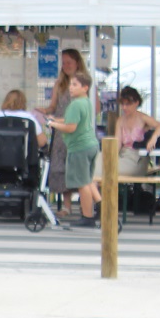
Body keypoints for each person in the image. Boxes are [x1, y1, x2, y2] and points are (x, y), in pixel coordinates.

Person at [46, 71, 99, 227]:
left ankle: (87, 216)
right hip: (91, 144)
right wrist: (56, 119)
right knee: (88, 180)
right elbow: (73, 120)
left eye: (75, 85)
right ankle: (102, 206)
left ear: (85, 87)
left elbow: (70, 127)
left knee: (82, 183)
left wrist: (53, 124)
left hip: (79, 147)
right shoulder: (86, 102)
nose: (71, 88)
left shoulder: (75, 104)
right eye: (70, 84)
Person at [43, 48, 88, 211]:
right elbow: (53, 106)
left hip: (78, 131)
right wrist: (44, 111)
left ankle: (86, 207)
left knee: (79, 167)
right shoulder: (59, 84)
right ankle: (66, 206)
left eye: (69, 62)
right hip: (62, 132)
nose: (66, 65)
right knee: (61, 167)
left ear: (77, 63)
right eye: (64, 63)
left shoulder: (85, 84)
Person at [96, 86, 160, 180]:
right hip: (122, 155)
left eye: (128, 104)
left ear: (136, 103)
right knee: (96, 161)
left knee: (107, 170)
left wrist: (154, 138)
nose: (124, 107)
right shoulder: (120, 120)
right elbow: (117, 144)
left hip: (137, 158)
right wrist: (108, 156)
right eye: (122, 104)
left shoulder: (142, 118)